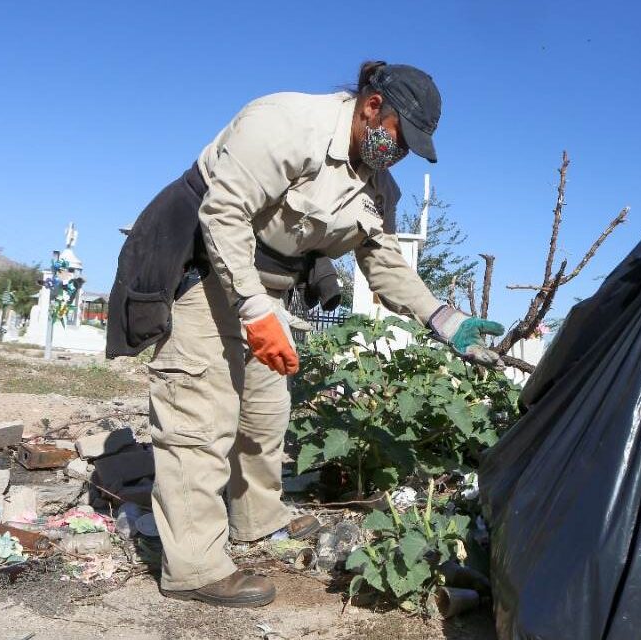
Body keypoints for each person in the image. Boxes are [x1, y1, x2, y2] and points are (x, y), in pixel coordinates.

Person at [120, 61, 505, 608]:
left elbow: (383, 261)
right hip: (206, 276)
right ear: (373, 106)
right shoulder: (285, 123)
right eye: (399, 138)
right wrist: (254, 312)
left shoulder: (373, 182)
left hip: (268, 293)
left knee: (264, 414)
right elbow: (223, 213)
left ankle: (258, 521)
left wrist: (446, 320)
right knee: (199, 418)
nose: (398, 154)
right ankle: (195, 567)